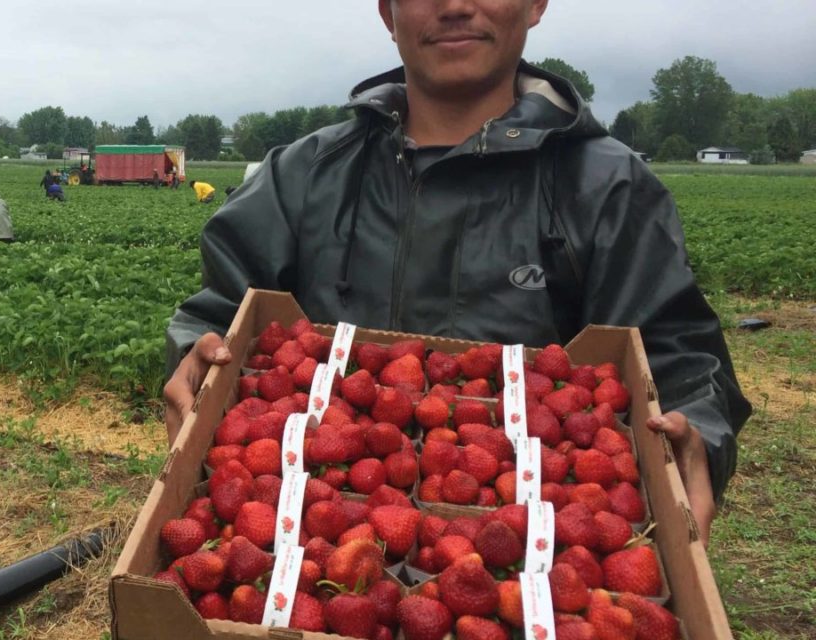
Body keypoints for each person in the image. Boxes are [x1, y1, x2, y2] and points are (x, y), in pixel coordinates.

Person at [162, 0, 750, 545]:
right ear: (388, 11)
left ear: (537, 2)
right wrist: (195, 355)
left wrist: (698, 433)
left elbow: (675, 361)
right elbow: (223, 318)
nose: (455, 5)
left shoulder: (607, 190)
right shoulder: (302, 176)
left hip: (532, 544)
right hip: (311, 533)